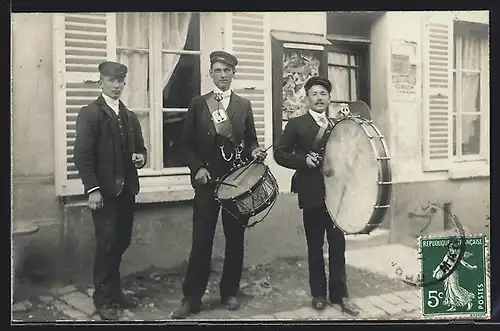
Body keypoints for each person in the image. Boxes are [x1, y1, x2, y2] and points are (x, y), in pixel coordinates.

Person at [172, 51, 267, 319]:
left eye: (227, 70)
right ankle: (192, 298)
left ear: (233, 74)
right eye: (217, 70)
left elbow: (250, 142)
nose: (222, 75)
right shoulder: (198, 104)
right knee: (201, 240)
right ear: (210, 74)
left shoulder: (243, 105)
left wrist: (255, 152)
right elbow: (185, 145)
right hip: (207, 184)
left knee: (235, 240)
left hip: (236, 184)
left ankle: (229, 292)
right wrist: (198, 167)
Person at [274, 76, 359, 316]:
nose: (319, 98)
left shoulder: (337, 124)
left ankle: (340, 295)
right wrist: (303, 160)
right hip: (311, 192)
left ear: (329, 98)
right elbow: (280, 154)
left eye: (323, 94)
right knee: (315, 246)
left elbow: (348, 154)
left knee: (337, 244)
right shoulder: (296, 124)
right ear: (307, 98)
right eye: (314, 94)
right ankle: (319, 294)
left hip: (336, 194)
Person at [73, 61, 147, 320]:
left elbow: (141, 149)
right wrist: (92, 189)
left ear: (124, 83)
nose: (116, 85)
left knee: (121, 241)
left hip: (127, 190)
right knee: (106, 244)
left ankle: (114, 292)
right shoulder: (90, 113)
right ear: (101, 81)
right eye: (111, 80)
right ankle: (103, 299)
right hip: (103, 193)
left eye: (120, 81)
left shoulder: (129, 116)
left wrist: (141, 158)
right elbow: (82, 156)